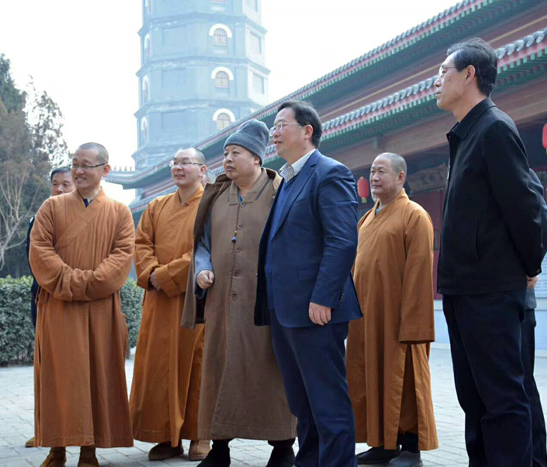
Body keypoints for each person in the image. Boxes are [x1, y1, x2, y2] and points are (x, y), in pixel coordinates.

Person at [434, 38, 546, 467]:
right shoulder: (466, 134)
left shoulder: (494, 128)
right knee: (474, 400)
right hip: (463, 289)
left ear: (469, 75)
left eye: (443, 71)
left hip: (491, 291)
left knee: (502, 401)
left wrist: (529, 266)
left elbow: (526, 206)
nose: (436, 81)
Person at [182, 120, 296, 467]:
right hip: (221, 301)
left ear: (257, 158)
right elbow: (202, 244)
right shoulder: (216, 194)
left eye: (236, 153)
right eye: (226, 153)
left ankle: (282, 447)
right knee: (219, 371)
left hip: (265, 303)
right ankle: (219, 449)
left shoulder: (280, 192)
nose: (227, 159)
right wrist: (202, 268)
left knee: (272, 371)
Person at [255, 101, 362, 467]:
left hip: (316, 309)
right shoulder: (287, 179)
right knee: (303, 404)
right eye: (274, 126)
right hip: (285, 309)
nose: (274, 132)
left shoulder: (329, 173)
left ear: (307, 131)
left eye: (281, 125)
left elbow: (341, 241)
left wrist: (324, 298)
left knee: (327, 401)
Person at [29, 142, 135, 467]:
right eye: (75, 164)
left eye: (86, 165)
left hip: (99, 308)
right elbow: (40, 250)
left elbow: (122, 257)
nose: (78, 171)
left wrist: (89, 283)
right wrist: (74, 282)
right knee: (57, 377)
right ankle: (56, 449)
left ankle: (89, 450)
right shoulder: (51, 207)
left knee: (95, 375)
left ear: (105, 170)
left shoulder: (119, 212)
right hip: (58, 306)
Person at [347, 153, 438, 467]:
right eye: (372, 171)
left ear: (400, 177)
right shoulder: (366, 218)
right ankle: (383, 444)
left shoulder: (415, 216)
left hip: (399, 318)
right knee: (371, 378)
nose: (374, 177)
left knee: (405, 380)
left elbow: (420, 272)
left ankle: (411, 449)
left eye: (381, 171)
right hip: (367, 318)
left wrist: (414, 325)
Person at [129, 148, 210, 462]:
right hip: (159, 300)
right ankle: (167, 437)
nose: (178, 167)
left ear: (202, 170)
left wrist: (166, 275)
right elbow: (141, 244)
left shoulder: (211, 205)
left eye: (186, 162)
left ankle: (200, 435)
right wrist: (151, 274)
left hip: (196, 297)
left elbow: (208, 249)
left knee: (198, 364)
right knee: (159, 367)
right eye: (175, 162)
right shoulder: (156, 206)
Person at [24, 166, 74, 449]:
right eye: (55, 183)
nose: (59, 189)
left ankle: (75, 428)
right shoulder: (39, 219)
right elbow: (33, 258)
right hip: (44, 298)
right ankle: (44, 427)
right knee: (46, 366)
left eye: (66, 183)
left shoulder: (86, 218)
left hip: (77, 298)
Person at [524, 169, 547, 467]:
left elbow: (540, 221)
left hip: (518, 301)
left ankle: (536, 459)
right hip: (491, 300)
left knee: (522, 383)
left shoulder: (519, 171)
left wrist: (532, 266)